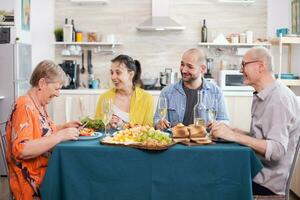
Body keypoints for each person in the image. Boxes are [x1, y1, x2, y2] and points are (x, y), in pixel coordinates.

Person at [211, 47, 300, 195]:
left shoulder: (279, 100)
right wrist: (233, 131)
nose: (240, 70)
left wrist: (234, 136)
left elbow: (277, 150)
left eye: (244, 64)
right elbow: (263, 138)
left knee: (213, 183)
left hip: (267, 183)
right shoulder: (264, 95)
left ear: (261, 66)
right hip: (256, 172)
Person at [6, 60, 81, 200]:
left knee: (76, 174)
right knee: (76, 180)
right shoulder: (24, 106)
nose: (58, 94)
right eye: (57, 88)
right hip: (31, 180)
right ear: (42, 84)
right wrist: (59, 136)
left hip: (45, 169)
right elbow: (22, 149)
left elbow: (42, 132)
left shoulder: (39, 104)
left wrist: (63, 127)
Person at [154, 48, 229, 130]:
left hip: (204, 141)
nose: (184, 70)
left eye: (190, 66)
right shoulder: (167, 92)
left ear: (202, 69)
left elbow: (224, 121)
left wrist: (218, 125)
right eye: (182, 64)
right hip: (175, 141)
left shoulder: (216, 92)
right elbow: (157, 120)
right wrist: (159, 124)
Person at [95, 54, 154, 128]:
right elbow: (96, 128)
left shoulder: (146, 98)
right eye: (112, 72)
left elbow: (148, 130)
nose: (113, 77)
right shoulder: (104, 97)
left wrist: (124, 126)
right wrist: (105, 125)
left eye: (118, 72)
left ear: (131, 74)